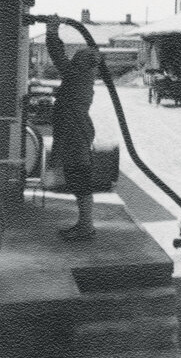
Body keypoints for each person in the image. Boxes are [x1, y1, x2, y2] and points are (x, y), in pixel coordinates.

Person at [45, 16, 101, 241]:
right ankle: (84, 224)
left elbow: (59, 57)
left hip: (75, 135)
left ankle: (86, 226)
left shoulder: (77, 76)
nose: (73, 61)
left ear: (82, 63)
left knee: (79, 179)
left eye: (77, 59)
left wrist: (51, 32)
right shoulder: (81, 78)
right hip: (74, 134)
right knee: (77, 178)